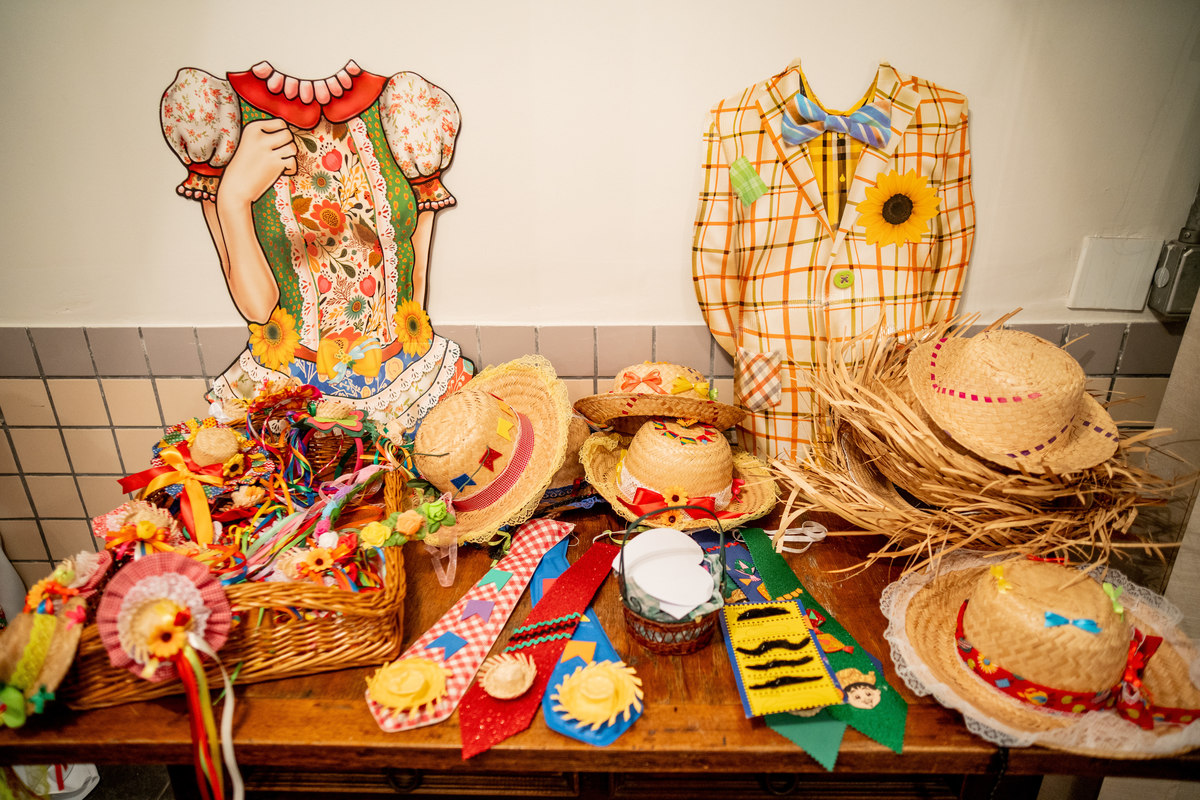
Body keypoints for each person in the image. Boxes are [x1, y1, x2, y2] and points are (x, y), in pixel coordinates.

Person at [161, 61, 473, 434]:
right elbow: (258, 310)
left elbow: (414, 274)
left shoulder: (404, 112)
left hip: (406, 379)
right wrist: (234, 198)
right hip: (290, 390)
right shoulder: (221, 119)